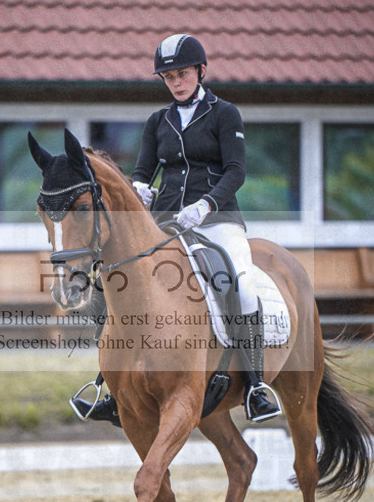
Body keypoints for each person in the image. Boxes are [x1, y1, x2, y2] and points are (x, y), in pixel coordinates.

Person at [74, 33, 282, 426]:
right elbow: (143, 170)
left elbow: (236, 171)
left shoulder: (225, 114)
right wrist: (138, 190)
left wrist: (206, 205)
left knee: (240, 284)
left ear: (201, 71)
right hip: (166, 221)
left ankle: (255, 386)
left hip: (218, 220)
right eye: (168, 77)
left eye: (182, 74)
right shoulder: (159, 121)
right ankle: (113, 387)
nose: (176, 82)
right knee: (110, 284)